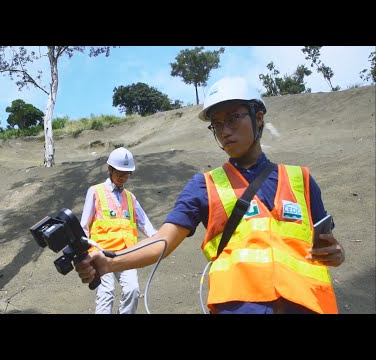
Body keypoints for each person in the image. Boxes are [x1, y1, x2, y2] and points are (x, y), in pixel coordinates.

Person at [75, 81, 346, 314]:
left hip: (306, 304)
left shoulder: (301, 179)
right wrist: (110, 263)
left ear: (258, 117)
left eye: (233, 118)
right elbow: (163, 240)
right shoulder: (204, 185)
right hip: (240, 306)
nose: (224, 130)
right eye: (217, 124)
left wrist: (337, 253)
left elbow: (326, 247)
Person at [80, 147, 158, 314]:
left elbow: (145, 223)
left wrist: (160, 240)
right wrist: (83, 253)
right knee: (106, 293)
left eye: (127, 173)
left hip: (126, 254)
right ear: (110, 169)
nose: (123, 177)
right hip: (101, 253)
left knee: (133, 290)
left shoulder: (130, 197)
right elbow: (84, 226)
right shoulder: (95, 191)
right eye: (120, 173)